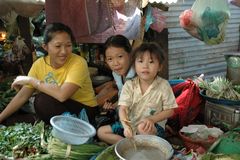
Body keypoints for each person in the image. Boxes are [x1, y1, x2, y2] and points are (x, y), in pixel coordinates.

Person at [0, 22, 99, 126]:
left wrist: (30, 80)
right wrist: (1, 117)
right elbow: (22, 96)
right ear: (45, 47)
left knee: (42, 100)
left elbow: (62, 95)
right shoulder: (39, 65)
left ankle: (74, 128)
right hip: (61, 109)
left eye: (68, 45)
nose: (64, 51)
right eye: (58, 46)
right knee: (12, 119)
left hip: (85, 111)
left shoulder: (78, 62)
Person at [97, 42, 178, 144]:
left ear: (160, 67)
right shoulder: (129, 85)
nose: (145, 66)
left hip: (153, 127)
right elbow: (123, 108)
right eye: (140, 61)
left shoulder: (163, 85)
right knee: (101, 132)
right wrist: (126, 126)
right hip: (131, 123)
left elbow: (170, 111)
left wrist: (151, 119)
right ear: (134, 66)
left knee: (142, 128)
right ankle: (127, 144)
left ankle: (136, 145)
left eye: (151, 62)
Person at [101, 34, 135, 110]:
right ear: (106, 61)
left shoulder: (140, 75)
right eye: (110, 59)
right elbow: (123, 98)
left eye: (120, 56)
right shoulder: (116, 74)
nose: (115, 63)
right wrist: (114, 106)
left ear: (130, 55)